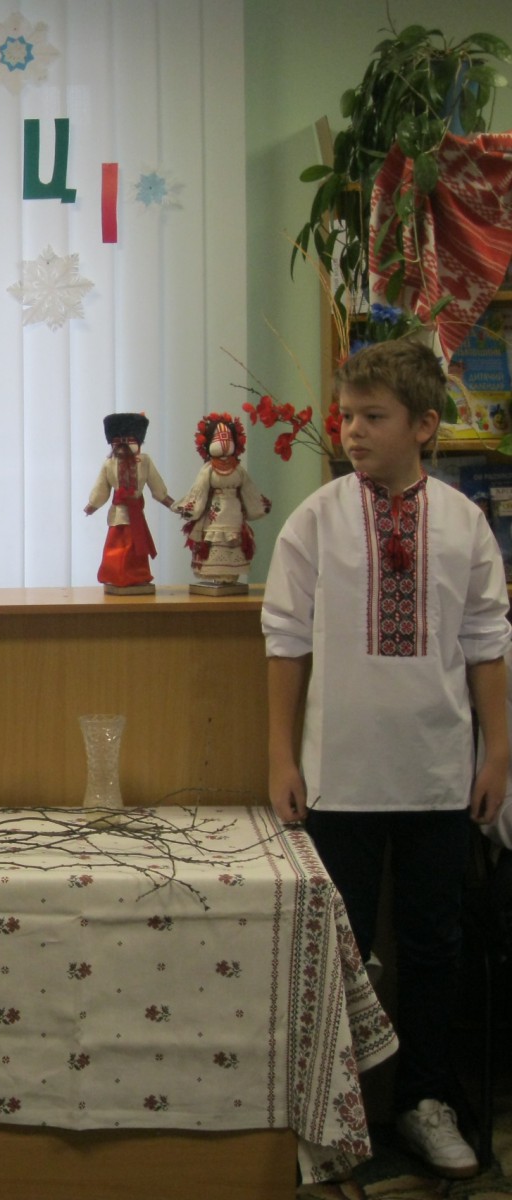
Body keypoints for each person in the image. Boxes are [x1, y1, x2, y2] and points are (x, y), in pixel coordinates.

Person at [263, 339, 509, 1181]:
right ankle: (332, 1114)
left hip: (439, 776)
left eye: (374, 416)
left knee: (434, 946)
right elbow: (284, 642)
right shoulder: (316, 520)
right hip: (338, 777)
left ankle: (425, 1100)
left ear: (425, 426)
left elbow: (486, 642)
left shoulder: (466, 523)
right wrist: (281, 758)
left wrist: (498, 753)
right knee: (342, 950)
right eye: (347, 416)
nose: (354, 431)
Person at [174, 412, 271, 585]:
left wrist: (260, 504)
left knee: (233, 541)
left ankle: (230, 575)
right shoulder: (208, 469)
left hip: (234, 513)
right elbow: (199, 490)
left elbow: (249, 490)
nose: (224, 444)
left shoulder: (238, 470)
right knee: (214, 542)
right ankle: (217, 574)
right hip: (215, 514)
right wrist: (190, 507)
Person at [83, 411, 172, 589]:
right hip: (118, 513)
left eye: (129, 440)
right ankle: (116, 576)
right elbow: (102, 487)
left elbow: (155, 483)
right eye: (119, 440)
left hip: (136, 513)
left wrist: (166, 500)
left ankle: (138, 576)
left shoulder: (144, 461)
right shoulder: (109, 463)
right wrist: (92, 504)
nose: (123, 445)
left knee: (136, 547)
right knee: (116, 546)